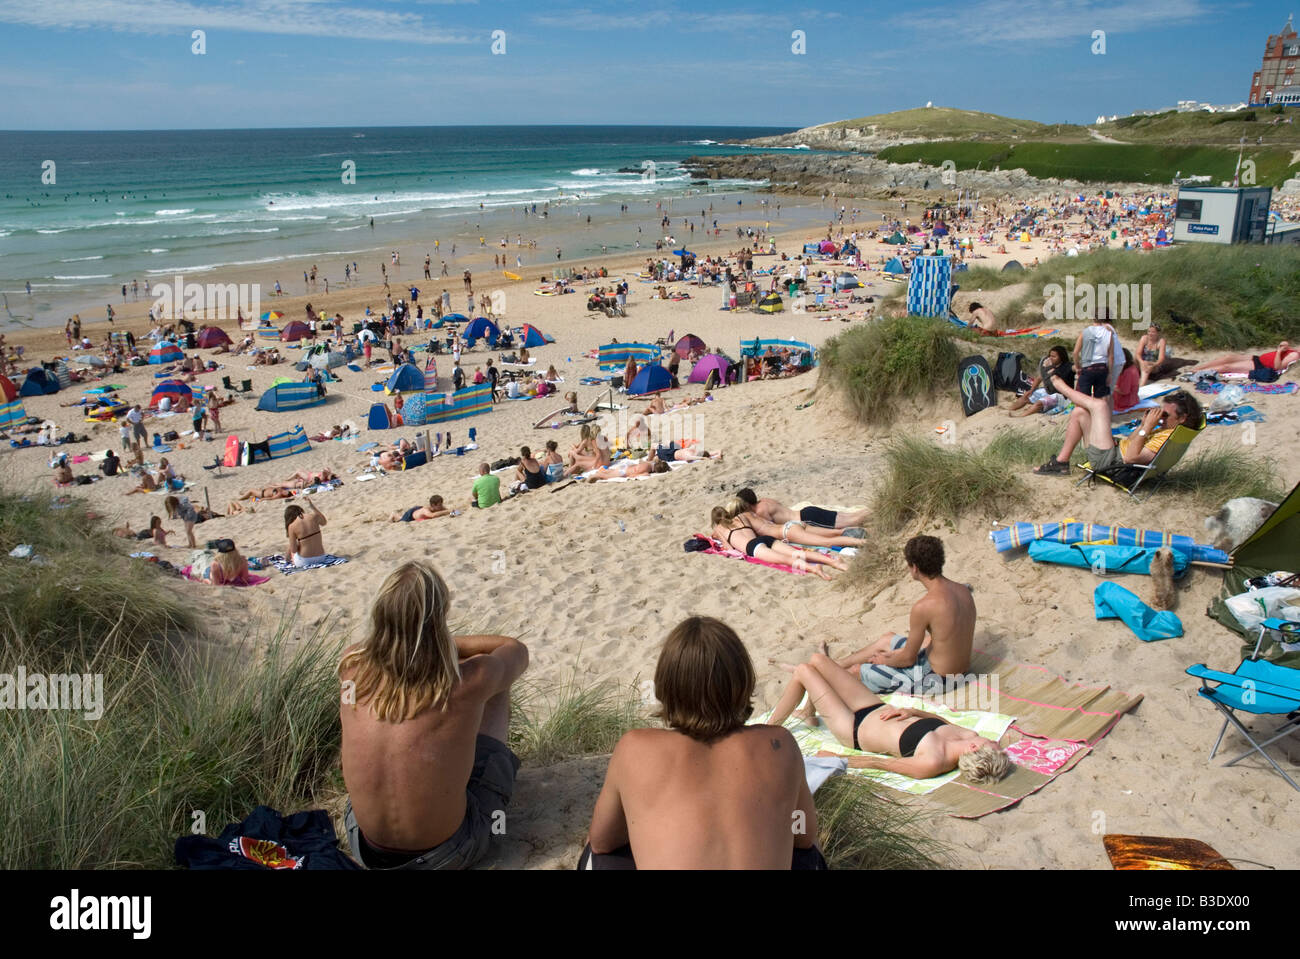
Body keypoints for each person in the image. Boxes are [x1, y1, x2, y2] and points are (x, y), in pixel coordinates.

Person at [581, 616, 821, 870]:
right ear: (742, 682)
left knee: (601, 857)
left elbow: (602, 840)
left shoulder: (634, 748)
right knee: (806, 856)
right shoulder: (780, 744)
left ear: (666, 686)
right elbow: (803, 835)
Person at [340, 561, 529, 870]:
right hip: (445, 855)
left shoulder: (351, 665)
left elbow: (376, 648)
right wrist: (434, 643)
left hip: (363, 844)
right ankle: (492, 818)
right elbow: (515, 649)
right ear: (437, 620)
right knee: (496, 683)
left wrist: (410, 639)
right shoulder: (472, 679)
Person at [766, 645, 1011, 783]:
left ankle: (768, 729)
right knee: (818, 659)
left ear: (975, 750)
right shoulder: (968, 734)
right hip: (875, 707)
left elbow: (882, 764)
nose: (996, 742)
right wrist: (911, 711)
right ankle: (809, 712)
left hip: (853, 728)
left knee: (803, 671)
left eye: (995, 746)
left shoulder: (933, 761)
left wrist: (834, 758)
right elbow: (939, 722)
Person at [836, 536, 976, 694]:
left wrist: (885, 661)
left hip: (937, 680)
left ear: (914, 567)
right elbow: (947, 636)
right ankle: (837, 665)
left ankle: (828, 676)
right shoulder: (964, 590)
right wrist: (896, 654)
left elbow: (908, 659)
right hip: (959, 670)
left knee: (857, 671)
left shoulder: (924, 606)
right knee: (887, 639)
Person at [1032, 373, 1202, 477]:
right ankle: (1061, 463)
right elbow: (1132, 442)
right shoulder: (1172, 433)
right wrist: (1143, 425)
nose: (1162, 418)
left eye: (1166, 415)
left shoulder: (1166, 437)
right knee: (1079, 413)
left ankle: (1061, 387)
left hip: (1112, 464)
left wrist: (1147, 429)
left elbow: (1131, 458)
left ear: (1182, 418)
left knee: (1100, 406)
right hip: (1114, 453)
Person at [712, 502, 847, 580]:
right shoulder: (741, 517)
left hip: (753, 547)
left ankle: (814, 568)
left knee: (786, 560)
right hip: (764, 539)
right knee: (797, 553)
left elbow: (728, 548)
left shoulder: (719, 528)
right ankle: (833, 561)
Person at [735, 489, 868, 533]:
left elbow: (771, 528)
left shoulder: (760, 511)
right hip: (807, 511)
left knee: (850, 521)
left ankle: (878, 511)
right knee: (850, 516)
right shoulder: (765, 501)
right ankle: (873, 510)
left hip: (807, 519)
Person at [1006, 345, 1075, 417]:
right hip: (1048, 391)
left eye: (1054, 357)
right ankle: (1009, 410)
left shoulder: (1067, 366)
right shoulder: (1050, 365)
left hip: (1061, 395)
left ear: (1061, 357)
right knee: (1025, 396)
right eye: (1050, 356)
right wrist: (1031, 390)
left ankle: (1020, 417)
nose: (1051, 358)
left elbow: (1075, 368)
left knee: (1039, 403)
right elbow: (1039, 378)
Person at [1072, 312, 1122, 400]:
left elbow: (1075, 353)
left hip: (1088, 367)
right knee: (1100, 398)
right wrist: (1110, 373)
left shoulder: (1085, 332)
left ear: (1093, 318)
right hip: (1102, 367)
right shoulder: (1108, 333)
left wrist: (1077, 366)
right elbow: (1111, 356)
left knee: (1084, 397)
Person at [1187, 341, 1298, 376]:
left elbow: (1277, 367)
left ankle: (1198, 372)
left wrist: (1279, 351)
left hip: (1261, 366)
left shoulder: (1295, 355)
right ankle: (1198, 368)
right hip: (1258, 358)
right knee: (1228, 357)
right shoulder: (1295, 350)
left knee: (1227, 366)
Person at [285, 497, 335, 567]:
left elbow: (294, 550)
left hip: (305, 561)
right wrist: (312, 506)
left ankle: (286, 560)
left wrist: (299, 543)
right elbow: (324, 522)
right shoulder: (313, 517)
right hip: (321, 558)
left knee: (291, 545)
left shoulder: (292, 526)